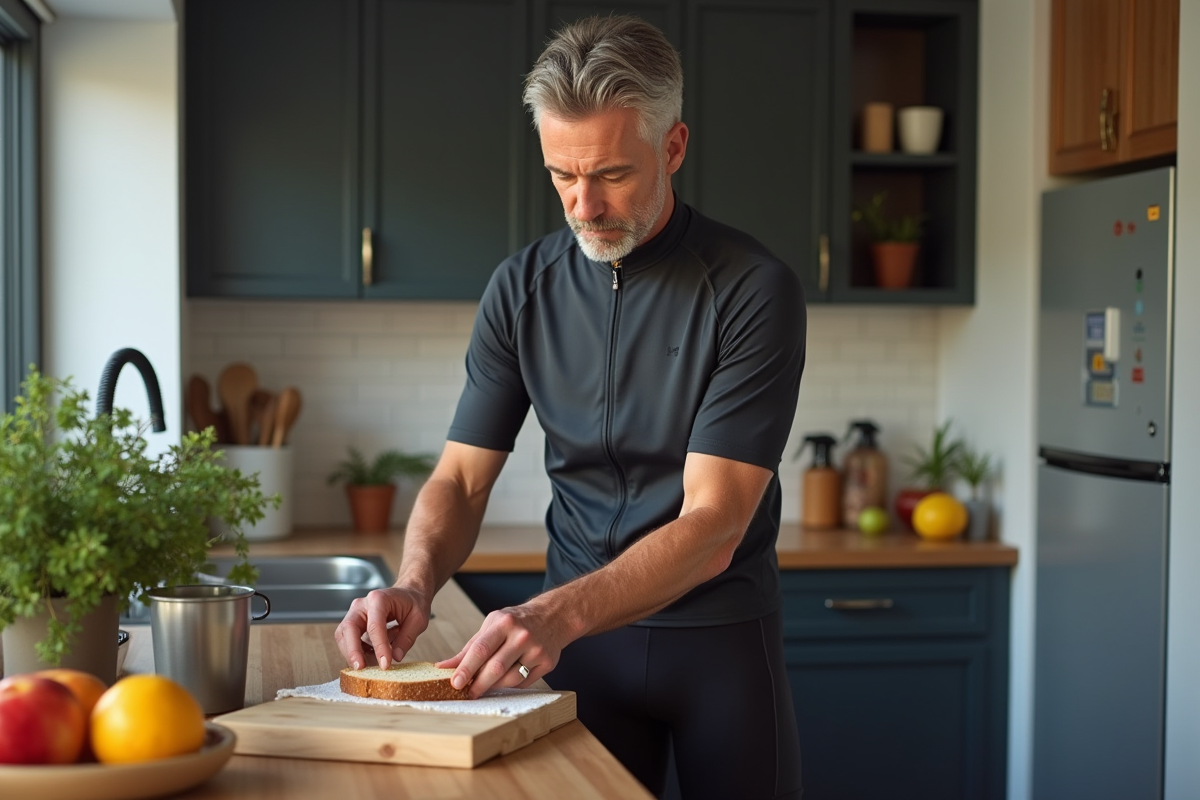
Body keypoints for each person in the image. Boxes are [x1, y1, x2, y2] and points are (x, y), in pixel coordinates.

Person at [334, 15, 805, 799]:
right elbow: (461, 481)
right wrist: (415, 583)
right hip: (575, 651)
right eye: (562, 175)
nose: (584, 205)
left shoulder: (753, 289)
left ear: (673, 148)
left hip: (717, 646)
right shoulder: (521, 288)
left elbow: (715, 526)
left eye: (613, 174)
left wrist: (557, 614)